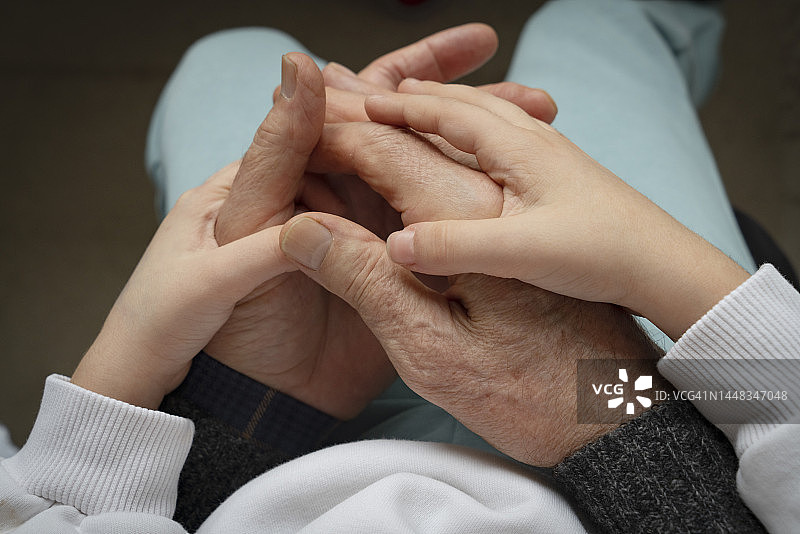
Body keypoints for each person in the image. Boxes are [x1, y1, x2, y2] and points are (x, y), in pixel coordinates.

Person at [0, 1, 796, 533]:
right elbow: (778, 388)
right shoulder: (615, 397)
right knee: (603, 20)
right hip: (641, 417)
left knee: (227, 57)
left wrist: (243, 404)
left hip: (278, 439)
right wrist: (610, 377)